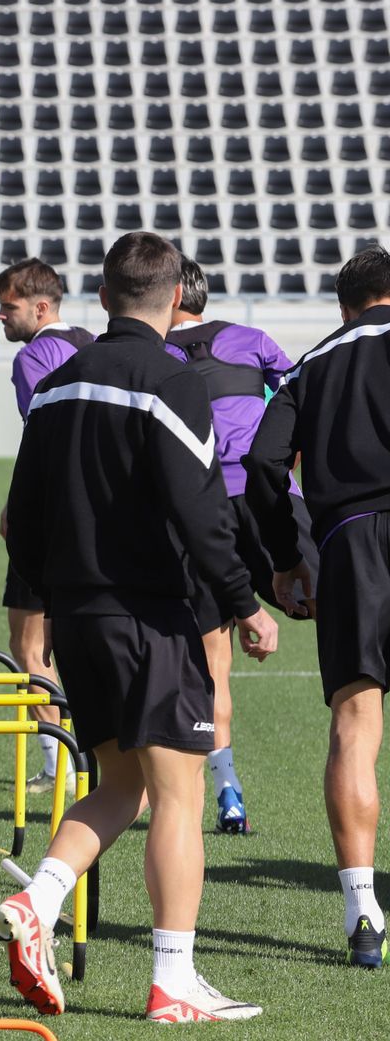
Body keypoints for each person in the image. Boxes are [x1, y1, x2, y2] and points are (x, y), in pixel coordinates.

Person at [0, 231, 277, 1022]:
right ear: (174, 297)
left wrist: (57, 597)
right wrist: (244, 602)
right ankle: (172, 982)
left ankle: (37, 902)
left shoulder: (59, 382)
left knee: (121, 786)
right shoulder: (173, 381)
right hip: (151, 615)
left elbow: (23, 516)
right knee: (179, 794)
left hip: (77, 616)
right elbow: (201, 509)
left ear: (105, 293)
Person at [245, 244, 390, 969]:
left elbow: (264, 464)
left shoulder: (310, 365)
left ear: (345, 306)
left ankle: (362, 907)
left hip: (350, 543)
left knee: (356, 721)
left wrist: (287, 554)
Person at [164, 255, 319, 835]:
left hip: (194, 513)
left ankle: (228, 792)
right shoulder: (251, 339)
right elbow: (302, 407)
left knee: (213, 663)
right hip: (269, 500)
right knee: (352, 617)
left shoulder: (150, 354)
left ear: (168, 294)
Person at [0, 258, 92, 794]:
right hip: (102, 518)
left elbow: (44, 436)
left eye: (8, 307)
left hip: (51, 516)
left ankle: (58, 767)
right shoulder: (93, 341)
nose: (1, 317)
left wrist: (18, 502)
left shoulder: (34, 357)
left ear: (41, 306)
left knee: (30, 649)